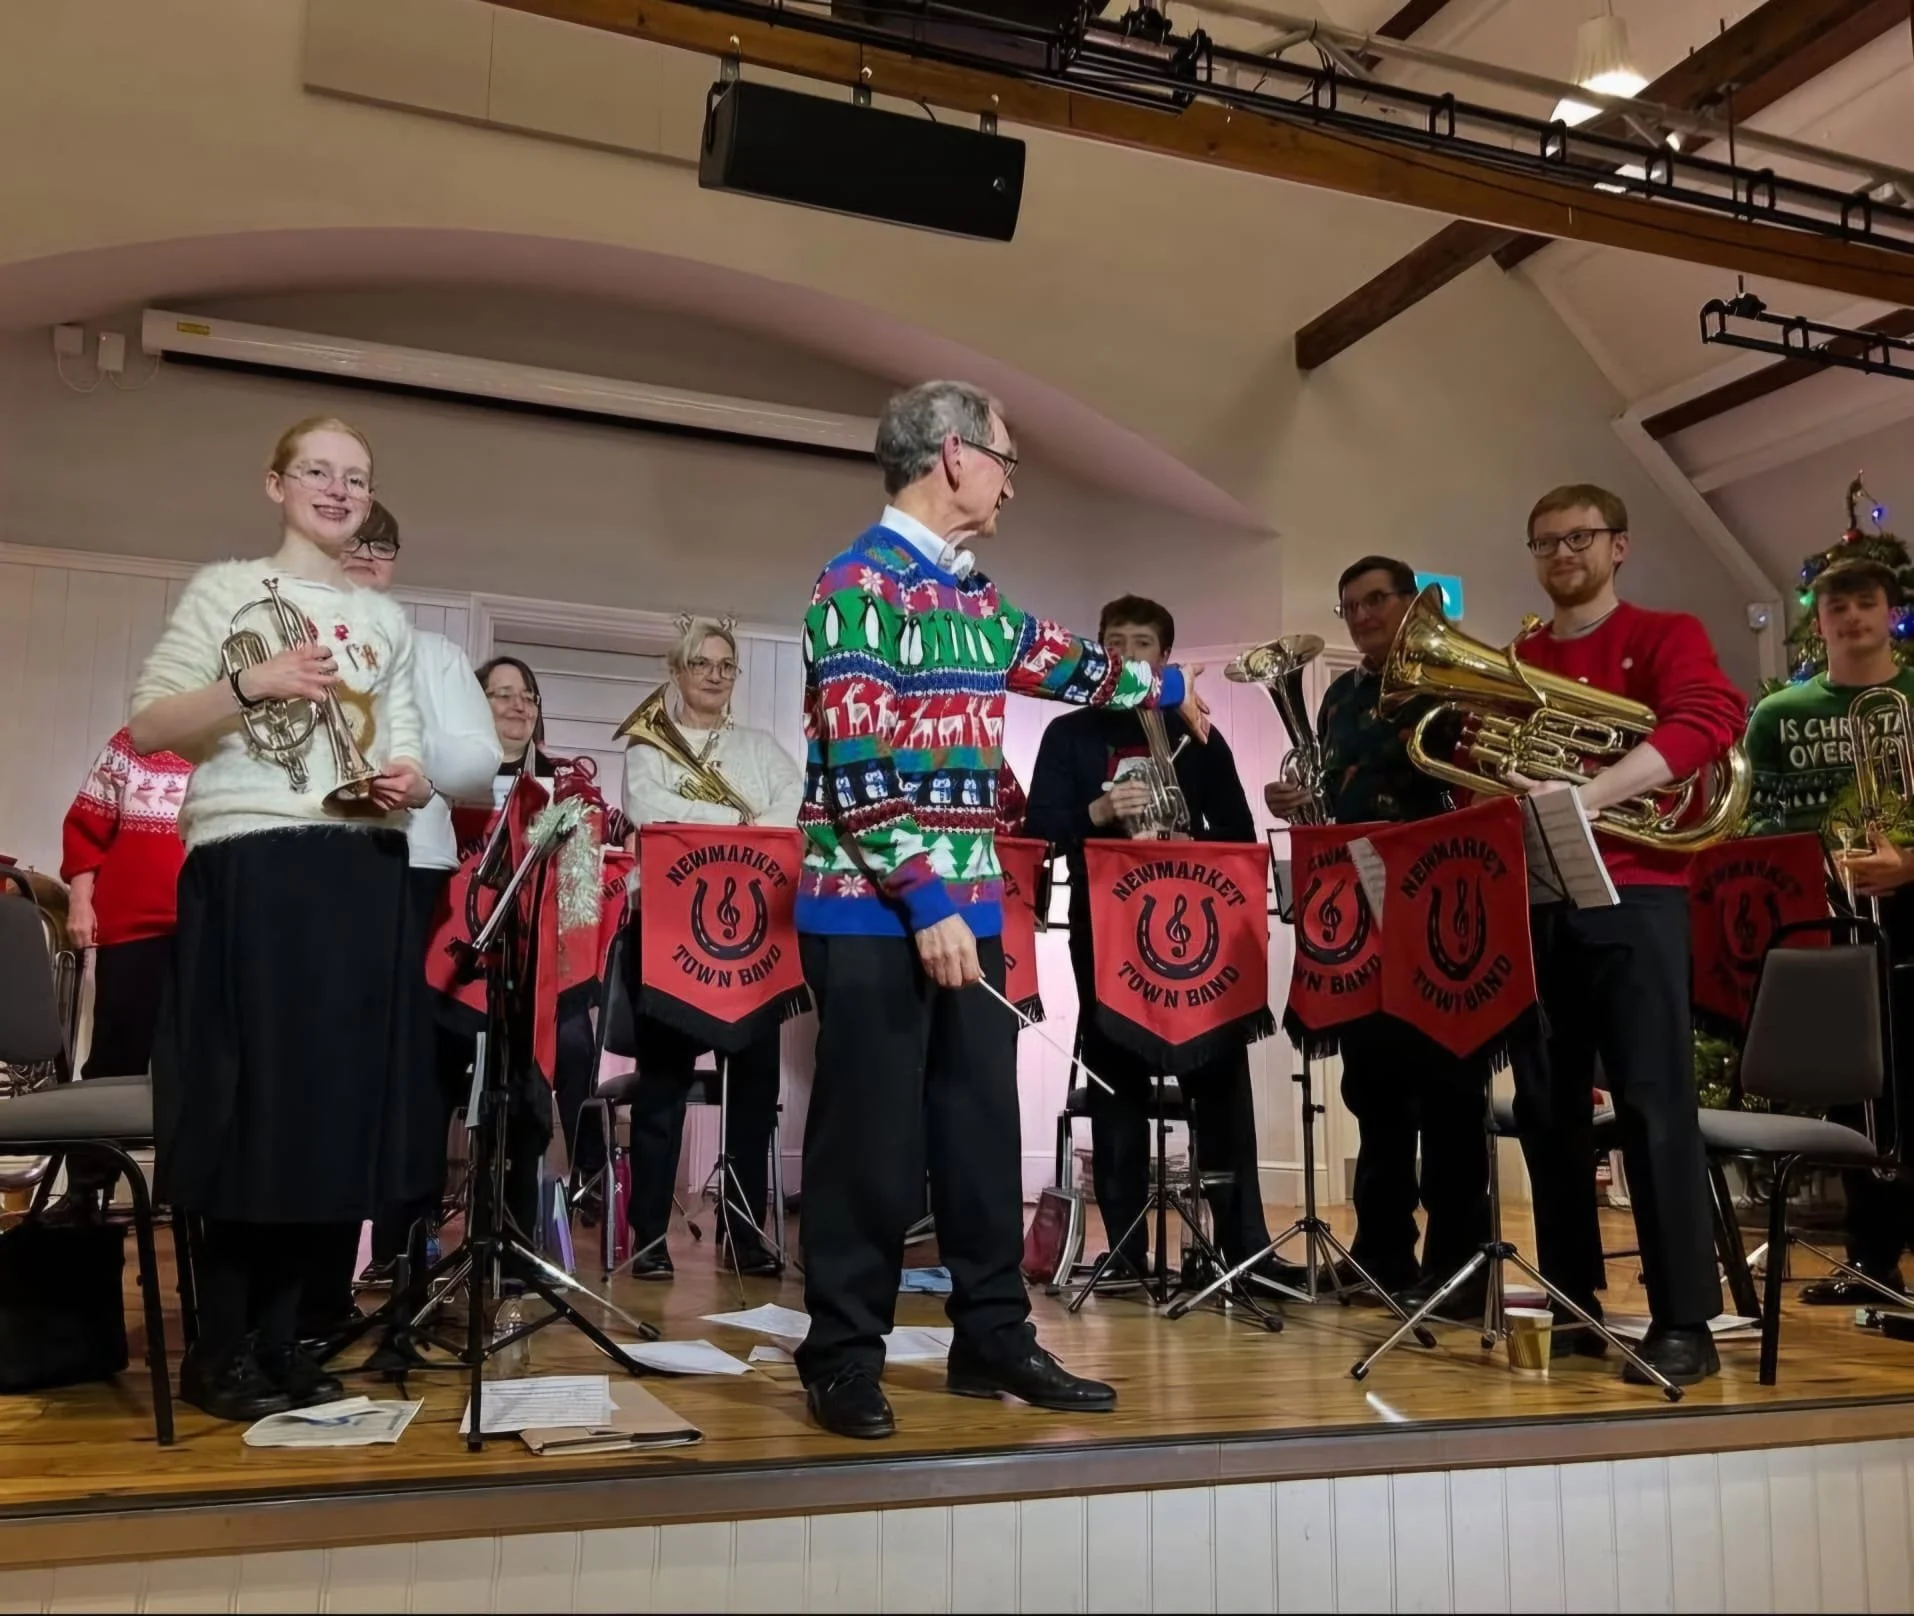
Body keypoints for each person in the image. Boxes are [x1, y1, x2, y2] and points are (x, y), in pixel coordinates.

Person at [795, 379, 1211, 1440]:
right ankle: (842, 1353)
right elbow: (858, 769)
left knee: (981, 1129)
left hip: (967, 906)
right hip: (873, 907)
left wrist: (1165, 689)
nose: (1013, 484)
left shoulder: (975, 597)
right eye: (1007, 460)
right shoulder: (854, 585)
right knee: (870, 1145)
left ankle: (992, 1335)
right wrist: (925, 899)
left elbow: (1063, 661)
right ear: (952, 455)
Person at [126, 416, 432, 1421]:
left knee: (336, 1109)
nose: (338, 489)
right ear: (276, 484)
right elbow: (151, 720)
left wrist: (406, 779)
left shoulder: (390, 623)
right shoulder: (226, 588)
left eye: (356, 477)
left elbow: (414, 753)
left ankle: (290, 1331)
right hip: (253, 858)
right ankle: (223, 1341)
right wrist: (253, 680)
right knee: (253, 1103)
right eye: (318, 472)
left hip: (359, 866)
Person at [1507, 483, 1747, 1385]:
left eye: (1578, 537)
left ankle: (1684, 1315)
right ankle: (1573, 1300)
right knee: (1547, 1110)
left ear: (1619, 546)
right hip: (1540, 900)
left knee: (1652, 1106)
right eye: (1544, 541)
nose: (1562, 553)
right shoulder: (1522, 653)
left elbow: (1710, 720)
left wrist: (1587, 796)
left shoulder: (1663, 634)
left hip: (1638, 891)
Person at [1024, 593, 1278, 1285]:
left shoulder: (1197, 734)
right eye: (1114, 643)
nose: (1127, 655)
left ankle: (1241, 1246)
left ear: (1165, 659)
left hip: (1203, 933)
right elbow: (1039, 829)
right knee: (1118, 1083)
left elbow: (1240, 834)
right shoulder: (1070, 734)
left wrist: (1191, 835)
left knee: (1221, 1080)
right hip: (1106, 933)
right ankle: (1128, 1251)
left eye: (1142, 644)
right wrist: (1097, 811)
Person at [1264, 557, 1493, 1310]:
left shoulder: (1454, 682)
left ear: (1411, 603)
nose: (1360, 616)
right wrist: (1300, 799)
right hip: (1362, 912)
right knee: (1374, 1090)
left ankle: (1460, 1265)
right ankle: (1382, 1254)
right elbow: (1337, 793)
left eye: (1373, 601)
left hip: (1440, 905)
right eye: (1348, 606)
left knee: (1450, 1090)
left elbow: (1475, 780)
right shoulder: (1340, 697)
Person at [335, 501, 501, 1295]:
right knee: (324, 1073)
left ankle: (406, 1262)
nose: (366, 556)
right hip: (311, 870)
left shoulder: (432, 654)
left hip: (413, 869)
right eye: (353, 542)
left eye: (381, 545)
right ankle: (315, 1283)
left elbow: (479, 762)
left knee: (410, 1077)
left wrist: (409, 757)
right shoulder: (290, 643)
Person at [1745, 557, 1914, 1303]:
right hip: (1826, 921)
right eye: (1836, 607)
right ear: (1819, 621)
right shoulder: (1780, 716)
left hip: (1910, 912)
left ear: (1891, 613)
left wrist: (1909, 865)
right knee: (1853, 1097)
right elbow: (1755, 819)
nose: (1850, 618)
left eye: (1865, 604)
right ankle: (1871, 1261)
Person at [620, 616, 804, 1281]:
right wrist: (738, 819)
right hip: (670, 932)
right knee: (662, 1089)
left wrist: (753, 818)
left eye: (727, 665)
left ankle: (745, 1229)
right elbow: (650, 810)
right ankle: (647, 1237)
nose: (715, 676)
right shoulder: (648, 747)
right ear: (678, 670)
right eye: (702, 663)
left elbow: (792, 803)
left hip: (750, 940)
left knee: (754, 1090)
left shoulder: (759, 746)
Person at [470, 655, 632, 1233]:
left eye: (529, 696)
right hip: (468, 964)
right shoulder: (455, 772)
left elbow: (607, 834)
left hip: (548, 960)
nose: (519, 705)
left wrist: (621, 832)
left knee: (574, 1042)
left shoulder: (567, 782)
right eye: (503, 695)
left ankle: (584, 1181)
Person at [44, 729, 193, 1224]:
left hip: (210, 931)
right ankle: (87, 1190)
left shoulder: (235, 744)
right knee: (114, 1058)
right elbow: (87, 827)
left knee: (198, 1066)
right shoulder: (136, 742)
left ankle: (184, 1196)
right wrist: (81, 902)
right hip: (131, 927)